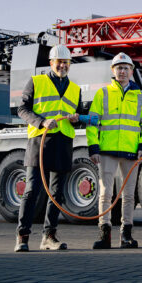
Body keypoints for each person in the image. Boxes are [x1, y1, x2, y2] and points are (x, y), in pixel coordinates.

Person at [14, 44, 84, 252]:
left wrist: (76, 119)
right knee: (31, 191)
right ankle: (22, 236)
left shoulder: (75, 89)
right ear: (51, 63)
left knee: (57, 194)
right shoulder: (36, 82)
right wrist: (42, 122)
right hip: (40, 142)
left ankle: (49, 237)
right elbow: (22, 109)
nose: (62, 65)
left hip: (63, 143)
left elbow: (78, 117)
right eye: (59, 62)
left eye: (66, 62)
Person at [87, 53, 142, 249]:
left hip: (131, 152)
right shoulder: (103, 93)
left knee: (129, 195)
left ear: (131, 71)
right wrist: (93, 147)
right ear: (113, 71)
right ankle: (104, 233)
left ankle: (126, 235)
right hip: (106, 151)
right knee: (106, 193)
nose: (122, 71)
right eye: (119, 68)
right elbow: (92, 123)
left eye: (125, 68)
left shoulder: (140, 96)